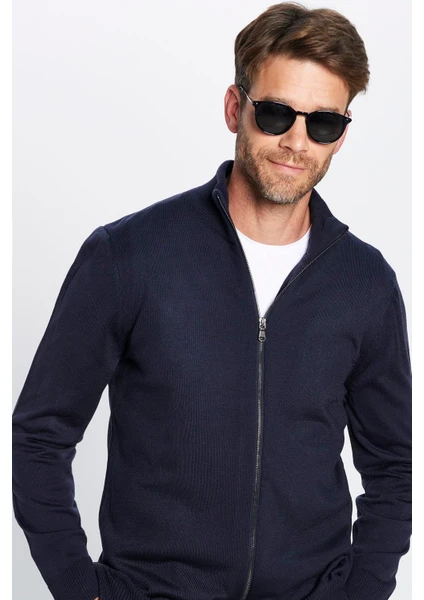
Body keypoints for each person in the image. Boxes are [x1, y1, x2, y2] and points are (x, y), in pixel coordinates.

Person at [12, 3, 412, 600]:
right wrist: (79, 587)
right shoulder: (128, 257)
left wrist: (363, 590)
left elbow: (394, 465)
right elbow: (41, 434)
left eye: (323, 123)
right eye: (276, 113)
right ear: (234, 108)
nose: (296, 142)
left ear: (343, 134)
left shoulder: (365, 283)